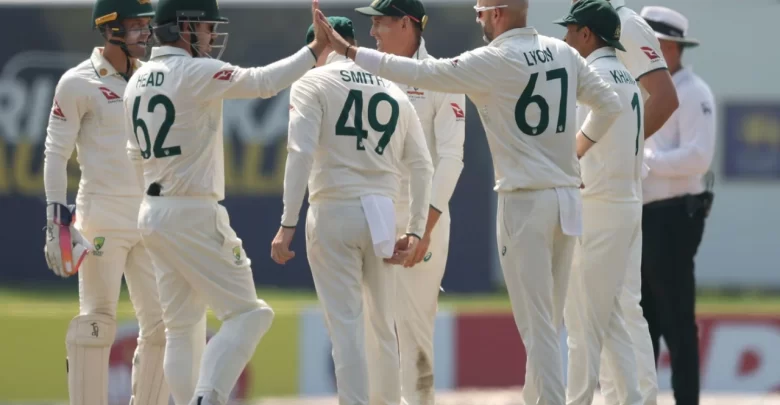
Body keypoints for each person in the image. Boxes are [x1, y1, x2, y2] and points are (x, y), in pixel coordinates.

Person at [317, 0, 623, 402]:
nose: (478, 20)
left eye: (480, 13)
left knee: (539, 329)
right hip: (565, 199)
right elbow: (610, 105)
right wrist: (575, 153)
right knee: (547, 323)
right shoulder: (563, 51)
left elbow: (425, 75)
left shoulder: (492, 60)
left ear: (496, 13)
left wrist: (352, 51)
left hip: (524, 202)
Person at [122, 0, 330, 403]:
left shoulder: (137, 80)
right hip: (193, 212)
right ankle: (207, 397)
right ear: (182, 28)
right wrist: (313, 51)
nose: (211, 35)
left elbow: (134, 157)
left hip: (152, 212)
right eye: (204, 26)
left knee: (182, 328)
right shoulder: (195, 71)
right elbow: (264, 82)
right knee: (250, 315)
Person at [271, 16, 434, 405]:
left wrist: (287, 222)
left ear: (319, 45)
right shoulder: (393, 90)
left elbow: (300, 153)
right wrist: (414, 229)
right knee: (382, 326)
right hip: (382, 213)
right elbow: (423, 165)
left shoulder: (312, 82)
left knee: (346, 329)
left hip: (333, 210)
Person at [42, 1, 174, 404]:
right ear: (109, 28)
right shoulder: (77, 82)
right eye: (135, 26)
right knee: (97, 321)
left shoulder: (153, 78)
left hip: (147, 217)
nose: (144, 34)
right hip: (101, 214)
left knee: (162, 327)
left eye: (145, 25)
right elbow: (55, 152)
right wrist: (55, 218)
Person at [352, 1, 466, 403]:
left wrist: (424, 228)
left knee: (416, 328)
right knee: (372, 325)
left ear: (406, 23)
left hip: (424, 215)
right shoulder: (364, 74)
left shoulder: (443, 76)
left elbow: (452, 158)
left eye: (380, 22)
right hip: (374, 212)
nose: (372, 32)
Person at [570, 1, 680, 403]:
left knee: (610, 306)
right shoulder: (608, 19)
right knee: (616, 305)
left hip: (608, 192)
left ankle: (634, 398)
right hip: (615, 190)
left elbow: (664, 98)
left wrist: (616, 156)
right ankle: (628, 397)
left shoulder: (624, 24)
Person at [554, 1, 645, 404]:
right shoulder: (625, 73)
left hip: (598, 205)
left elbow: (574, 142)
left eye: (571, 31)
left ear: (587, 34)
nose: (565, 39)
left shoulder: (593, 77)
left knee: (582, 325)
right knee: (608, 319)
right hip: (623, 203)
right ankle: (632, 399)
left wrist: (569, 155)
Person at [639, 6, 716, 405]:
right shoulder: (650, 88)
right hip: (646, 217)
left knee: (677, 321)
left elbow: (699, 157)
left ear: (667, 47)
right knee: (645, 321)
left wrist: (645, 161)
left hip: (673, 217)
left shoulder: (693, 92)